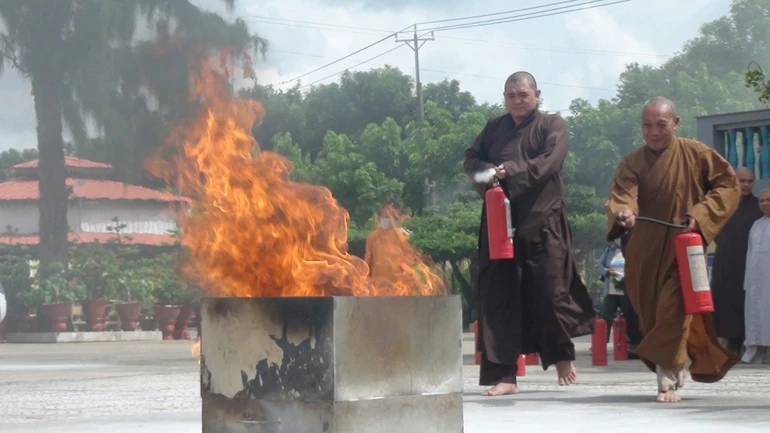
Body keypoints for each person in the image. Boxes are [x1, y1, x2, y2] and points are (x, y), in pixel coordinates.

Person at [463, 71, 595, 396]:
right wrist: (488, 174)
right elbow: (472, 159)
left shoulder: (552, 125)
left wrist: (510, 170)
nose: (517, 101)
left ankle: (561, 355)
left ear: (537, 94)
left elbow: (550, 162)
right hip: (500, 221)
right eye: (510, 96)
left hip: (543, 221)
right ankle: (505, 376)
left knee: (551, 291)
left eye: (523, 95)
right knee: (498, 298)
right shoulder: (494, 127)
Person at [606, 96, 741, 403]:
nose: (654, 132)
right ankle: (675, 362)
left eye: (661, 125)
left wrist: (701, 214)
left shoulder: (696, 153)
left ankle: (665, 378)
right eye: (647, 125)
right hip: (644, 251)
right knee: (653, 316)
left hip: (685, 247)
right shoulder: (632, 162)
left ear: (676, 123)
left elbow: (728, 185)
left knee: (675, 307)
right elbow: (623, 194)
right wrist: (624, 212)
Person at [710, 167, 764, 355]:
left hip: (750, 262)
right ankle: (727, 341)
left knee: (747, 300)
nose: (746, 185)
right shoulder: (724, 205)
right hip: (726, 260)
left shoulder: (759, 207)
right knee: (725, 299)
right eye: (742, 181)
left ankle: (746, 341)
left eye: (749, 181)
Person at [741, 188, 770, 364]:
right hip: (755, 279)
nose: (765, 203)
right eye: (762, 200)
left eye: (769, 200)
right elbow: (750, 253)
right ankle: (754, 351)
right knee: (754, 314)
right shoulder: (756, 225)